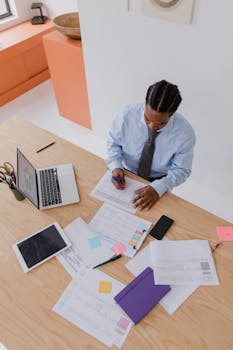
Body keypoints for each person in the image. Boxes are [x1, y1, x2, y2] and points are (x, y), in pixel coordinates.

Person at [105, 79, 196, 211]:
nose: (152, 126)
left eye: (161, 124)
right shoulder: (127, 115)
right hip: (127, 173)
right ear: (145, 103)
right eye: (147, 119)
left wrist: (158, 188)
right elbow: (113, 143)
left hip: (159, 180)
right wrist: (115, 166)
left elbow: (182, 170)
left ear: (172, 114)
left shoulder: (185, 133)